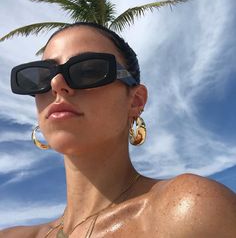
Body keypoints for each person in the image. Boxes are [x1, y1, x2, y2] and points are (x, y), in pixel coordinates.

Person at [1, 22, 235, 238]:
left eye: (88, 70)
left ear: (135, 101)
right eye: (41, 76)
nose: (56, 84)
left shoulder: (187, 210)